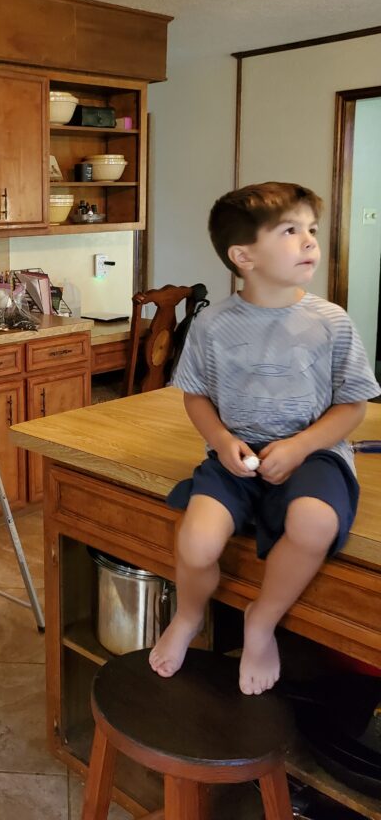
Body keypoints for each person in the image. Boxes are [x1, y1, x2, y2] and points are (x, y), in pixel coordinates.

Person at [149, 181, 380, 695]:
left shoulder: (332, 322)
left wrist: (300, 446)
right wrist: (220, 439)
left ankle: (261, 620)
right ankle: (188, 616)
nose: (309, 242)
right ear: (243, 255)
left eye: (312, 230)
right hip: (238, 454)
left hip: (314, 452)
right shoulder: (211, 325)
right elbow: (195, 396)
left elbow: (354, 406)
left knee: (314, 523)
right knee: (196, 541)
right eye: (291, 230)